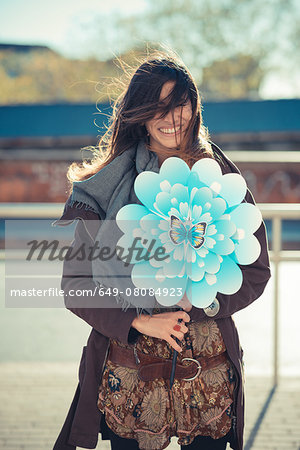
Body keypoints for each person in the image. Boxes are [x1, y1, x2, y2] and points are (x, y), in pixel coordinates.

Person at [52, 54, 271, 450]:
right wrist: (139, 322)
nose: (173, 117)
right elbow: (76, 285)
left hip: (208, 377)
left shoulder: (220, 178)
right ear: (139, 113)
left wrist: (203, 302)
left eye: (181, 104)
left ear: (195, 106)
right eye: (159, 107)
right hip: (130, 374)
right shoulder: (107, 187)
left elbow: (256, 272)